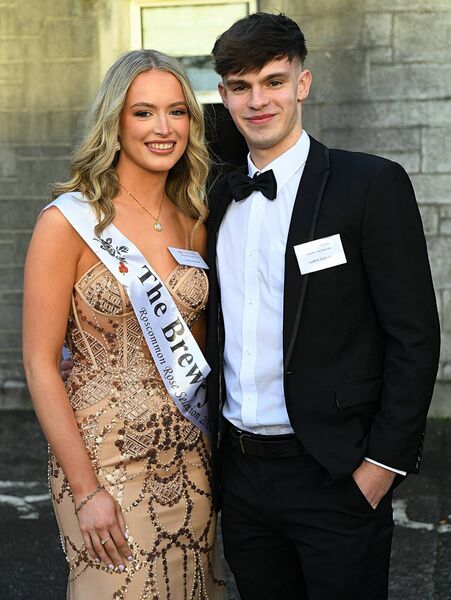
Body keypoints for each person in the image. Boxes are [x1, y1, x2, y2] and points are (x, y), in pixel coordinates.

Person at [204, 12, 441, 600]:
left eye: (274, 81)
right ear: (224, 95)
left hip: (336, 473)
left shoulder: (369, 184)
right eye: (240, 86)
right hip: (241, 476)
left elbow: (415, 336)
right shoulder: (215, 196)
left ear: (302, 84)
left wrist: (382, 466)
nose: (258, 101)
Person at [23, 49, 225, 599]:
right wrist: (86, 491)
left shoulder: (195, 220)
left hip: (189, 457)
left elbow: (201, 352)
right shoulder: (68, 222)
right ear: (114, 120)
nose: (164, 128)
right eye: (144, 113)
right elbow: (40, 365)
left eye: (177, 111)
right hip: (101, 460)